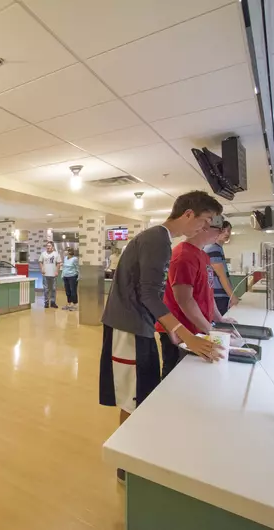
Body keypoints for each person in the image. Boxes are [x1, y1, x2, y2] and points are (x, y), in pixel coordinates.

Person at [99, 191, 224, 484]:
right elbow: (148, 294)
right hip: (128, 327)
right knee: (133, 397)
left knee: (143, 391)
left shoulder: (161, 241)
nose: (203, 228)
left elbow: (151, 295)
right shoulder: (157, 239)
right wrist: (185, 335)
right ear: (189, 214)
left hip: (139, 325)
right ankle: (125, 465)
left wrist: (177, 333)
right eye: (204, 220)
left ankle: (133, 456)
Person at [157, 217, 238, 379]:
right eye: (219, 229)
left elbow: (208, 293)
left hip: (198, 327)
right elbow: (184, 300)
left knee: (193, 374)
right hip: (180, 330)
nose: (221, 234)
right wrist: (211, 329)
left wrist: (219, 319)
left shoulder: (203, 255)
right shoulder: (183, 256)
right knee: (174, 373)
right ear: (203, 228)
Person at [205, 220, 238, 315]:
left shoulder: (218, 248)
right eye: (223, 230)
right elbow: (221, 276)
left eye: (229, 230)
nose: (227, 233)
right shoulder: (213, 248)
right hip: (218, 295)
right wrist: (232, 296)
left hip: (219, 295)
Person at [39, 241, 61, 308]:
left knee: (53, 289)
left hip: (53, 274)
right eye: (47, 246)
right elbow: (40, 262)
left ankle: (53, 302)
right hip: (45, 274)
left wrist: (57, 271)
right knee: (46, 289)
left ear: (53, 247)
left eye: (49, 246)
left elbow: (58, 263)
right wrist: (42, 268)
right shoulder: (43, 254)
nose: (48, 247)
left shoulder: (56, 254)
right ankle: (46, 302)